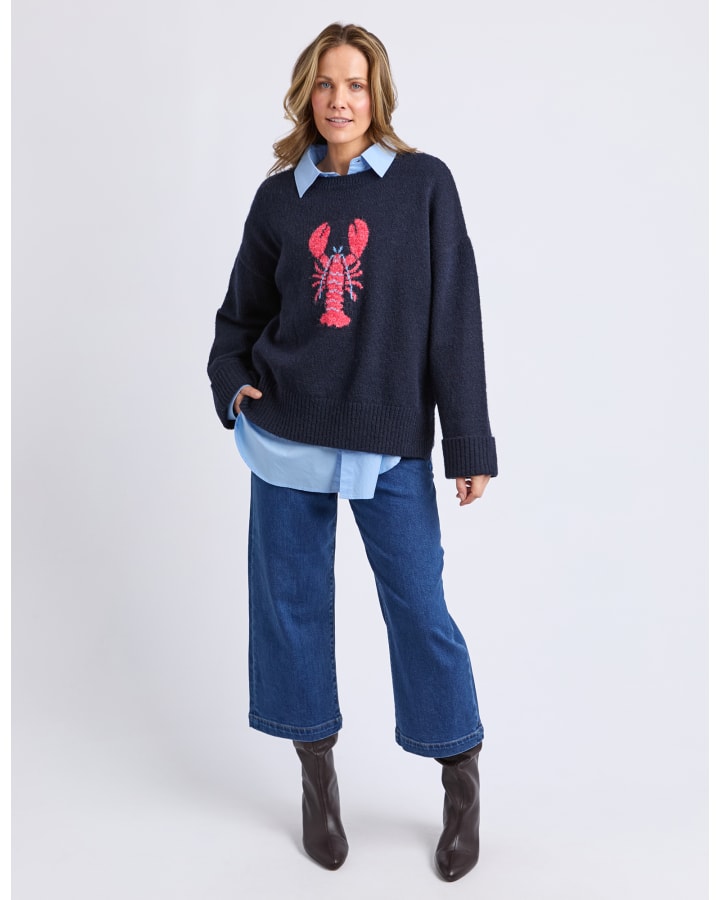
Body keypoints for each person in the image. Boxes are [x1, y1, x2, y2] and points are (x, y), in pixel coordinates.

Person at [207, 22, 498, 882]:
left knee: (419, 607)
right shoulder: (279, 200)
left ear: (379, 96)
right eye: (328, 84)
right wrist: (234, 385)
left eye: (357, 85)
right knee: (291, 608)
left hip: (386, 435)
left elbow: (455, 318)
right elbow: (239, 317)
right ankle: (316, 777)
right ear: (307, 94)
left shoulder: (423, 185)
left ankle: (460, 778)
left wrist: (468, 440)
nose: (341, 100)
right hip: (287, 431)